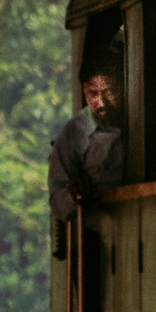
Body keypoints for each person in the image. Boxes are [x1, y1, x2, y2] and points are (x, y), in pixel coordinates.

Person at [48, 65, 125, 222]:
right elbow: (57, 200)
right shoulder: (74, 132)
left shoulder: (138, 123)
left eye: (109, 93)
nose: (101, 103)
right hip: (95, 233)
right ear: (84, 91)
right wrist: (74, 195)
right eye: (93, 93)